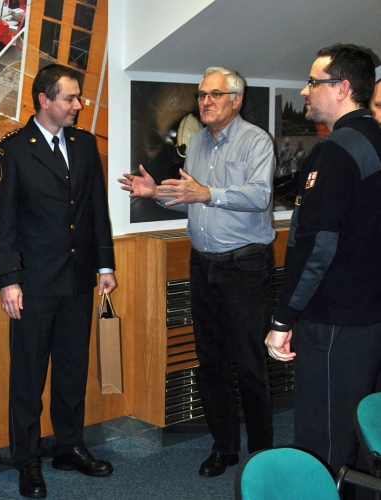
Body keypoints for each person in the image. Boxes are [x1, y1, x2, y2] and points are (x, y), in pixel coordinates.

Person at [119, 66, 276, 477]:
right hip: (203, 264)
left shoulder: (255, 141)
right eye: (202, 94)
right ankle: (224, 447)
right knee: (211, 362)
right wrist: (157, 192)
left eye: (214, 94)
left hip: (244, 266)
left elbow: (259, 196)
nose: (205, 101)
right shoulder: (200, 142)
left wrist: (206, 193)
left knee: (250, 364)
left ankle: (264, 455)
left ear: (236, 100)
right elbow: (192, 198)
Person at [0, 63, 117, 499]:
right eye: (70, 98)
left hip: (78, 280)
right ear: (44, 100)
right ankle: (27, 460)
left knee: (71, 370)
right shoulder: (12, 150)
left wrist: (105, 266)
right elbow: (2, 222)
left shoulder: (83, 144)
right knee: (27, 378)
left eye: (78, 97)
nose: (78, 105)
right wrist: (8, 280)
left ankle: (69, 446)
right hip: (33, 285)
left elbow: (96, 209)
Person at [266, 43, 381, 474]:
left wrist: (283, 320)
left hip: (334, 321)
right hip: (370, 319)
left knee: (325, 440)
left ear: (343, 88)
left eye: (314, 81)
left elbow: (316, 246)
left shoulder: (335, 150)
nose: (305, 90)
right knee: (366, 439)